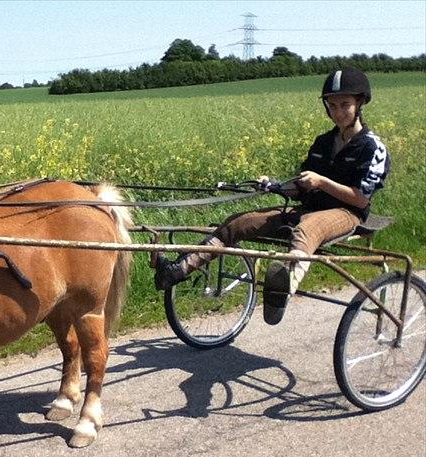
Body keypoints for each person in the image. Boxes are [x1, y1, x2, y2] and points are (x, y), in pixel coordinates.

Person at [155, 67, 390, 325]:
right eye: (332, 105)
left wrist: (322, 182)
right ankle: (178, 270)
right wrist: (274, 186)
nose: (337, 112)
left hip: (346, 213)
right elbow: (302, 187)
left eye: (344, 105)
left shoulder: (372, 146)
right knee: (239, 222)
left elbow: (360, 198)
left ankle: (282, 289)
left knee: (306, 228)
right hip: (309, 208)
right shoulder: (323, 142)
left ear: (360, 103)